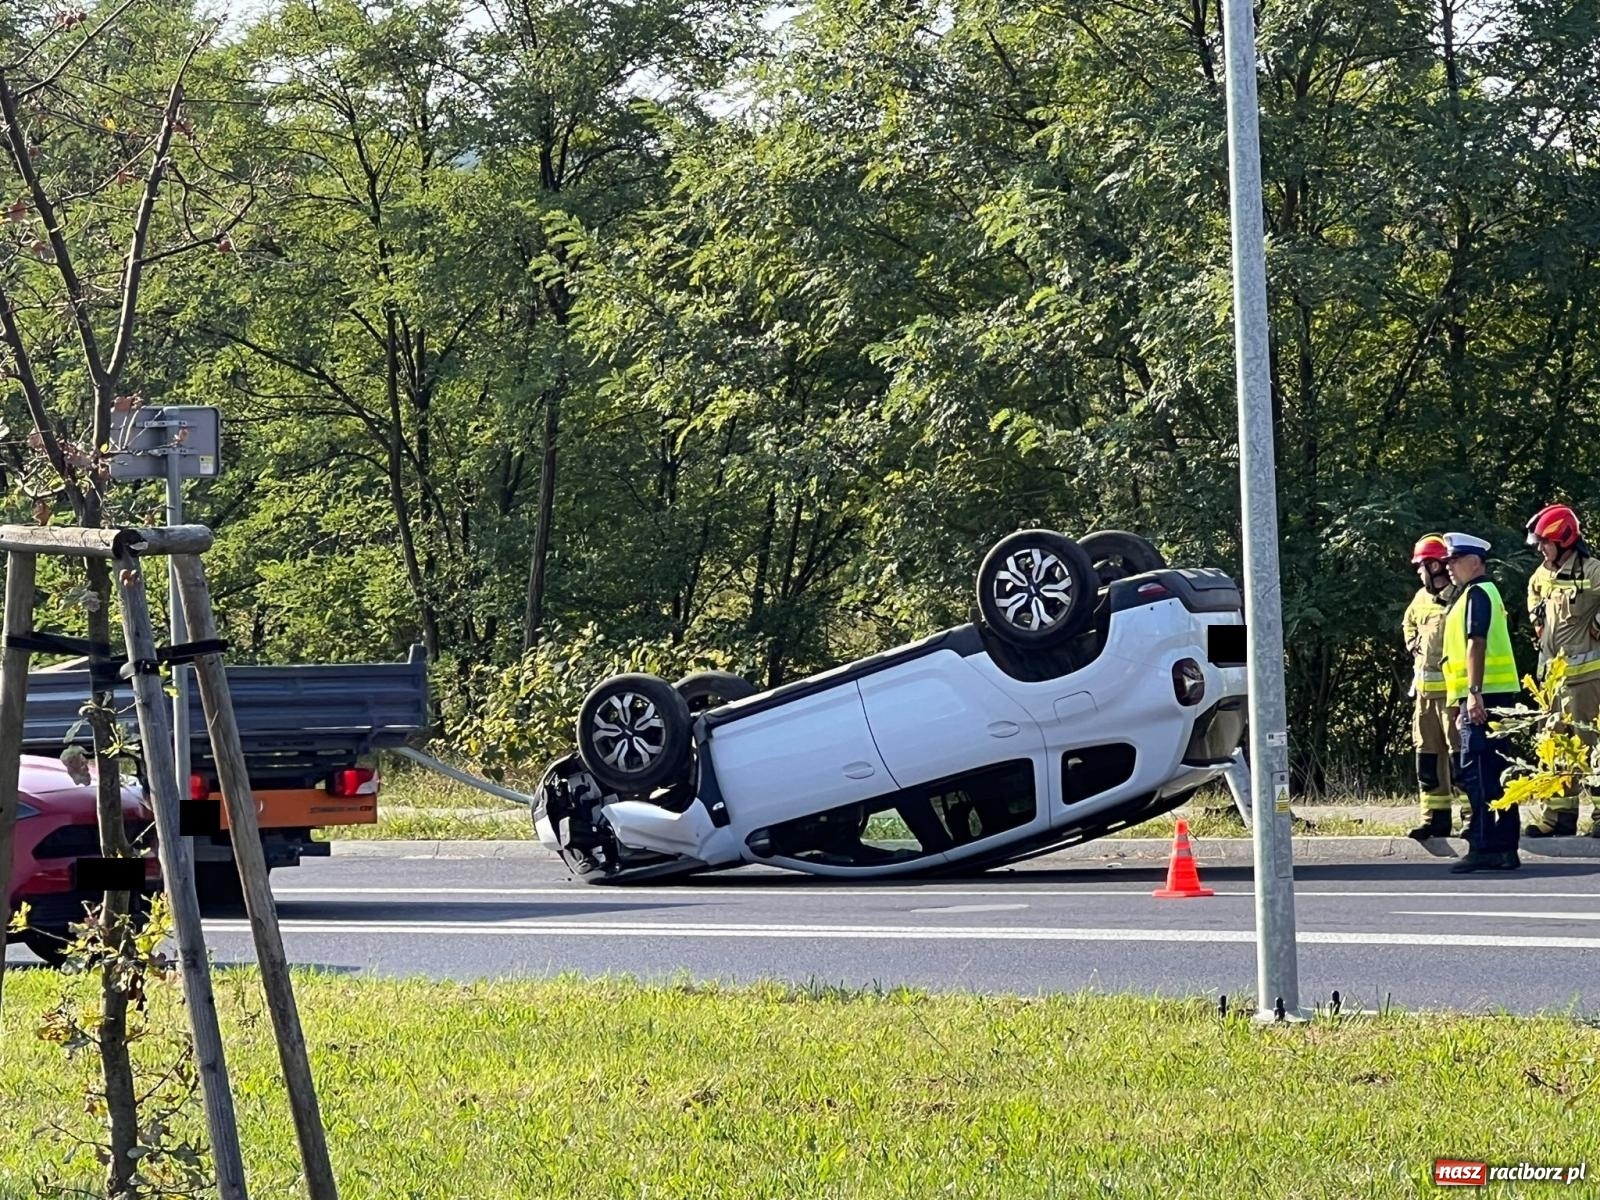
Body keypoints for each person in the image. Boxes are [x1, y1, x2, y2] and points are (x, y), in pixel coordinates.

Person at [1439, 532, 1521, 872]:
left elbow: (1477, 643)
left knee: (1479, 772)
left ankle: (1487, 847)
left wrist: (1473, 693)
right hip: (1485, 697)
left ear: (1475, 562)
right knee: (1493, 772)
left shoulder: (1477, 593)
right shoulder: (1476, 594)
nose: (1450, 567)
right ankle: (1501, 848)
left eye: (1455, 560)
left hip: (1484, 698)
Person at [1523, 503, 1600, 838]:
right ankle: (1558, 817)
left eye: (1545, 542)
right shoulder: (1541, 574)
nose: (1540, 548)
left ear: (1564, 540)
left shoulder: (1593, 570)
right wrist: (1537, 622)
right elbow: (1533, 602)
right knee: (1554, 746)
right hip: (1552, 682)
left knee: (1591, 745)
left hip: (1587, 678)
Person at [1403, 533, 1466, 840]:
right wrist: (1414, 644)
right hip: (1424, 697)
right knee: (1427, 758)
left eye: (1422, 566)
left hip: (1454, 697)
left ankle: (1472, 820)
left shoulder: (1462, 597)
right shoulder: (1421, 598)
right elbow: (1409, 624)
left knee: (1460, 760)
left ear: (1436, 565)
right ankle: (1434, 819)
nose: (1418, 572)